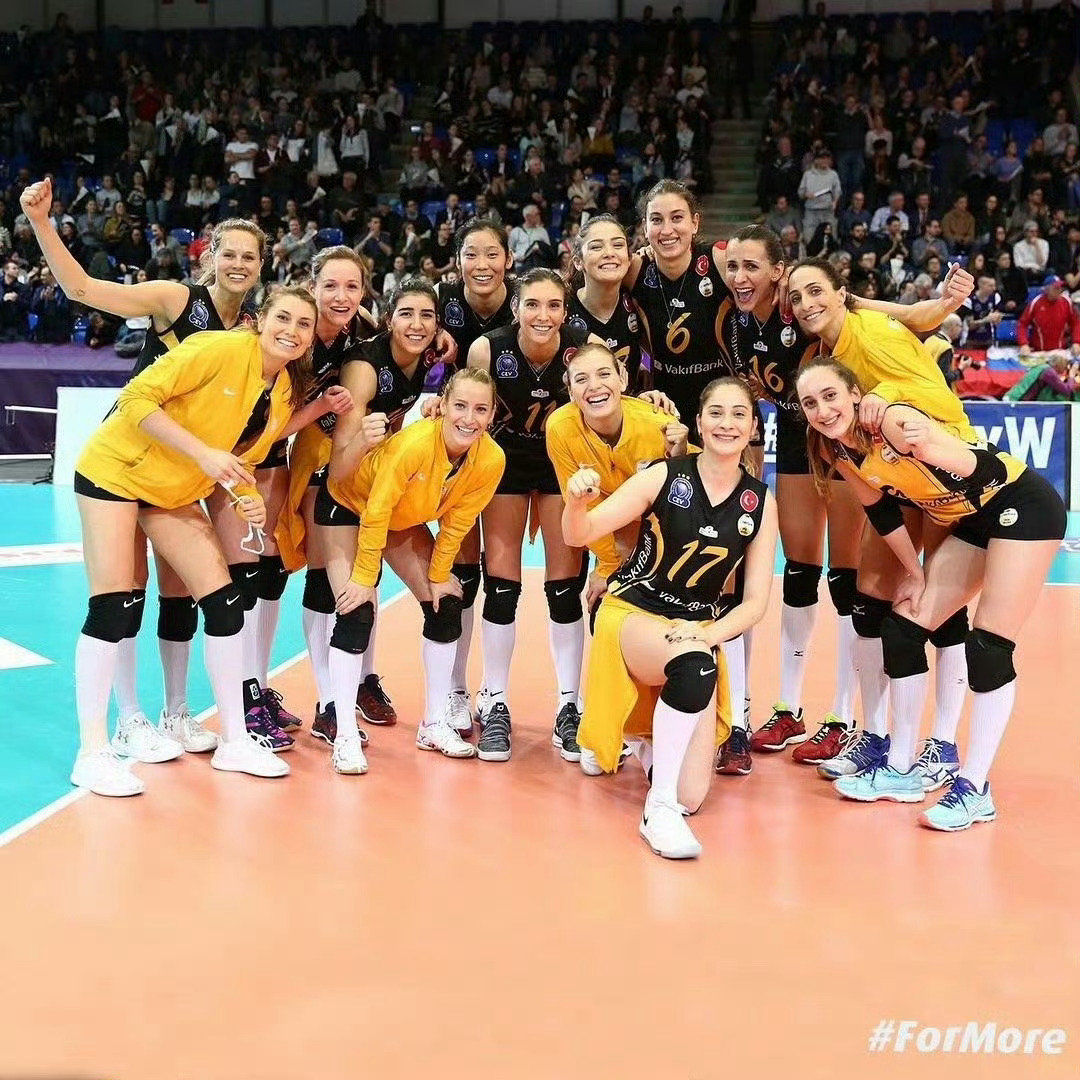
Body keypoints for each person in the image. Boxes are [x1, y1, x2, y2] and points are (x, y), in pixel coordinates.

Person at [20, 176, 265, 758]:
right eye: (229, 253)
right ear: (210, 256)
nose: (238, 264)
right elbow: (82, 288)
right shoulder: (175, 301)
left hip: (182, 477)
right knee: (126, 591)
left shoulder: (254, 331)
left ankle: (176, 713)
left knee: (181, 596)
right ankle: (128, 718)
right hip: (129, 463)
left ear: (262, 267)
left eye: (249, 257)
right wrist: (41, 222)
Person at [797, 357, 1066, 829]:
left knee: (988, 645)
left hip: (1021, 506)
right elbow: (882, 513)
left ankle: (975, 788)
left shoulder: (893, 423)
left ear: (856, 395)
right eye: (810, 403)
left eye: (830, 396)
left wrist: (934, 447)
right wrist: (915, 572)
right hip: (971, 519)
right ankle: (900, 769)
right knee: (903, 626)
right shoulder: (835, 448)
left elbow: (982, 468)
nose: (822, 410)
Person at [70, 287, 317, 795]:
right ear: (259, 320)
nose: (291, 331)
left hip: (173, 490)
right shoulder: (215, 347)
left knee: (225, 604)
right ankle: (92, 751)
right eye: (283, 318)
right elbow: (135, 398)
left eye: (303, 324)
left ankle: (236, 741)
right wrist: (202, 454)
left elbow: (245, 457)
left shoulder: (283, 389)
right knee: (113, 606)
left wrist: (247, 495)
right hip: (116, 472)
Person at [563, 377, 778, 858]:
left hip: (691, 627)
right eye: (716, 413)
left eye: (739, 414)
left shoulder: (760, 502)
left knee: (692, 797)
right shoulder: (663, 476)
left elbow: (754, 603)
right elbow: (581, 533)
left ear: (753, 428)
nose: (726, 423)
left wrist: (708, 632)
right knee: (696, 667)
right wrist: (576, 502)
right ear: (698, 422)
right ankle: (657, 810)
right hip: (633, 611)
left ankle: (640, 741)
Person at [786, 257, 977, 788]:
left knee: (940, 605)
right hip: (891, 472)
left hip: (941, 464)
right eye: (796, 297)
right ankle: (874, 736)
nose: (806, 304)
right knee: (870, 595)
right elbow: (918, 316)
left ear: (840, 292)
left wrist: (884, 395)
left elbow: (937, 397)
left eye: (815, 291)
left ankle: (942, 744)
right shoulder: (828, 355)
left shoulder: (871, 331)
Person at [721, 225, 864, 771]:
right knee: (799, 573)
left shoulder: (800, 312)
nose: (741, 277)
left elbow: (857, 313)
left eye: (752, 266)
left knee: (848, 580)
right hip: (796, 442)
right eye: (734, 267)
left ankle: (843, 717)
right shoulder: (737, 324)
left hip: (844, 441)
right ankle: (789, 708)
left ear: (778, 272)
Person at [316, 368, 505, 772]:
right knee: (356, 610)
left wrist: (438, 576)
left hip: (398, 519)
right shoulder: (415, 445)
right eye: (460, 406)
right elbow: (376, 510)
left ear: (492, 415)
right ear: (443, 405)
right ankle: (345, 734)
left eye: (480, 409)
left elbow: (457, 522)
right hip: (350, 505)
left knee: (446, 603)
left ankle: (434, 724)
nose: (469, 418)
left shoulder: (491, 460)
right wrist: (364, 578)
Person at [466, 269, 598, 761]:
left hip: (563, 467)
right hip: (503, 465)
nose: (544, 315)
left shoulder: (584, 348)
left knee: (564, 589)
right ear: (516, 307)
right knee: (502, 586)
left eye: (554, 305)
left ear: (566, 310)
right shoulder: (488, 349)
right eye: (533, 304)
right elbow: (472, 411)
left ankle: (569, 705)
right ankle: (494, 699)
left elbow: (603, 404)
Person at [545, 342, 689, 765]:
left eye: (604, 374)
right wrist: (609, 569)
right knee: (604, 609)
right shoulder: (561, 428)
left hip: (665, 543)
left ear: (624, 379)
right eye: (581, 379)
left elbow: (686, 504)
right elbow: (577, 506)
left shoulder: (658, 425)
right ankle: (611, 725)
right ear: (570, 390)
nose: (594, 386)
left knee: (660, 622)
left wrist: (680, 454)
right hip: (610, 536)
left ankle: (663, 725)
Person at [272, 247, 384, 751]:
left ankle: (356, 684)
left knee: (357, 572)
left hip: (351, 454)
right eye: (330, 286)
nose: (341, 296)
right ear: (311, 285)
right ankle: (325, 701)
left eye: (351, 287)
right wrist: (319, 407)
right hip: (294, 450)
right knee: (314, 572)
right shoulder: (292, 332)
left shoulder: (362, 331)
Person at [432, 220, 516, 719]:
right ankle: (456, 689)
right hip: (457, 447)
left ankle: (494, 693)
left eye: (492, 254)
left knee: (502, 574)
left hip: (511, 452)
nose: (481, 265)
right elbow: (395, 327)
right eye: (471, 254)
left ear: (509, 260)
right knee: (459, 569)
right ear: (458, 260)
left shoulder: (528, 301)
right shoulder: (440, 302)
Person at [566, 214, 644, 392]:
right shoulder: (561, 310)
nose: (609, 253)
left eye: (618, 245)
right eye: (596, 247)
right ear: (578, 262)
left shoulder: (638, 302)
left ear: (629, 258)